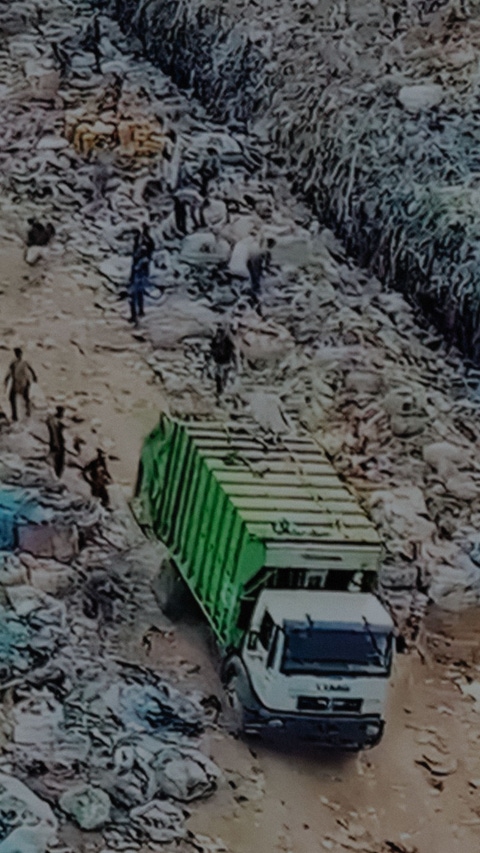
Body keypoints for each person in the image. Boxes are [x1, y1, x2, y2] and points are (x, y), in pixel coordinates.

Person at [129, 223, 154, 324]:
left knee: (135, 294)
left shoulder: (146, 245)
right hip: (137, 272)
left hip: (140, 272)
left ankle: (136, 314)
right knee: (137, 294)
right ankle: (137, 312)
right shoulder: (142, 243)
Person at [4, 348, 37, 421]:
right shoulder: (14, 362)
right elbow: (10, 370)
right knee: (12, 397)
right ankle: (14, 415)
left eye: (18, 353)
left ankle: (28, 412)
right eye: (16, 353)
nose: (17, 354)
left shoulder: (25, 361)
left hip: (24, 381)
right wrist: (7, 378)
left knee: (25, 397)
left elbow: (31, 369)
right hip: (16, 382)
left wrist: (34, 376)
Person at [210, 324, 235, 398]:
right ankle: (225, 332)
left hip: (222, 361)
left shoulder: (219, 378)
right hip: (223, 361)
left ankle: (223, 332)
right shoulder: (223, 380)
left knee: (220, 348)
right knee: (223, 348)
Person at [46, 406, 65, 478]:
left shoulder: (51, 419)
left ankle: (55, 472)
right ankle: (56, 473)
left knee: (56, 456)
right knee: (58, 457)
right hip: (57, 443)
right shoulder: (56, 421)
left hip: (54, 442)